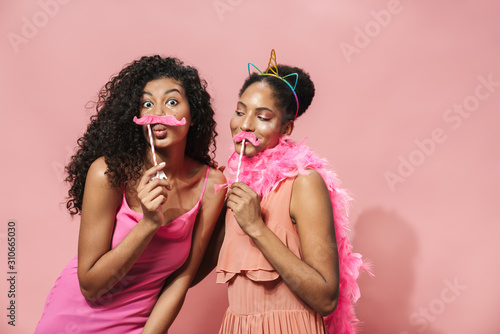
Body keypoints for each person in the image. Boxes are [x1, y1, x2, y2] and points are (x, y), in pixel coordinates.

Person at [35, 55, 226, 333]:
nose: (158, 112)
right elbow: (90, 285)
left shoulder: (212, 185)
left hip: (140, 325)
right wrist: (148, 223)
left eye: (172, 102)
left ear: (193, 115)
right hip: (74, 319)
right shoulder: (109, 173)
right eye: (147, 104)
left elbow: (182, 278)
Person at [215, 50, 369, 333]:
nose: (245, 124)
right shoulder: (235, 182)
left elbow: (326, 298)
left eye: (262, 116)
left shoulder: (304, 182)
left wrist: (256, 228)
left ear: (285, 128)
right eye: (239, 111)